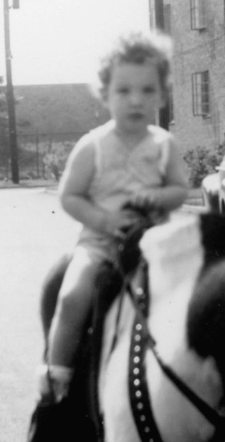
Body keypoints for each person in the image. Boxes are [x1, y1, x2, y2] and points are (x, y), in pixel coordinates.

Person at [37, 30, 189, 406]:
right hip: (100, 245)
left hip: (153, 245)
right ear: (105, 94)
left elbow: (179, 191)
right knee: (73, 294)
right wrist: (104, 220)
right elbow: (69, 195)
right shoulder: (93, 146)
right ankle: (58, 373)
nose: (136, 100)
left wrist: (157, 196)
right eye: (123, 91)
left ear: (162, 95)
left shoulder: (164, 145)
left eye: (147, 90)